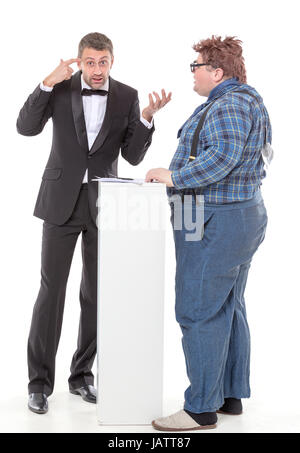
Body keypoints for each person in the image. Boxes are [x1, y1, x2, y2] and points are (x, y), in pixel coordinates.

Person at [17, 32, 171, 415]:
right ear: (79, 61)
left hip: (106, 204)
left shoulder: (127, 96)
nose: (97, 70)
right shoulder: (60, 88)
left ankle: (82, 375)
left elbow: (133, 157)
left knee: (97, 294)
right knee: (51, 291)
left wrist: (147, 119)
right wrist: (44, 83)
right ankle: (39, 383)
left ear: (112, 61)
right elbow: (25, 127)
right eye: (90, 62)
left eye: (103, 62)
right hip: (59, 204)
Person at [146, 35, 271, 431]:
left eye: (195, 67)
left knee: (198, 311)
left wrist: (173, 177)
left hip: (215, 218)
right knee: (227, 306)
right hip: (229, 215)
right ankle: (228, 395)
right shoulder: (244, 101)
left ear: (217, 72)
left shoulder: (230, 104)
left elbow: (223, 158)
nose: (192, 75)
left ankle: (200, 407)